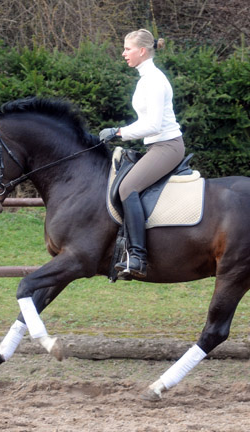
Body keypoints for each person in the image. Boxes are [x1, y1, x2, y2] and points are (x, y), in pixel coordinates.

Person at [99, 28, 185, 279]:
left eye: (127, 49)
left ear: (142, 51)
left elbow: (154, 125)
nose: (123, 53)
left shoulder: (155, 81)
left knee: (128, 188)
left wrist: (118, 132)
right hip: (155, 146)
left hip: (167, 146)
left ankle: (137, 256)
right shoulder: (145, 78)